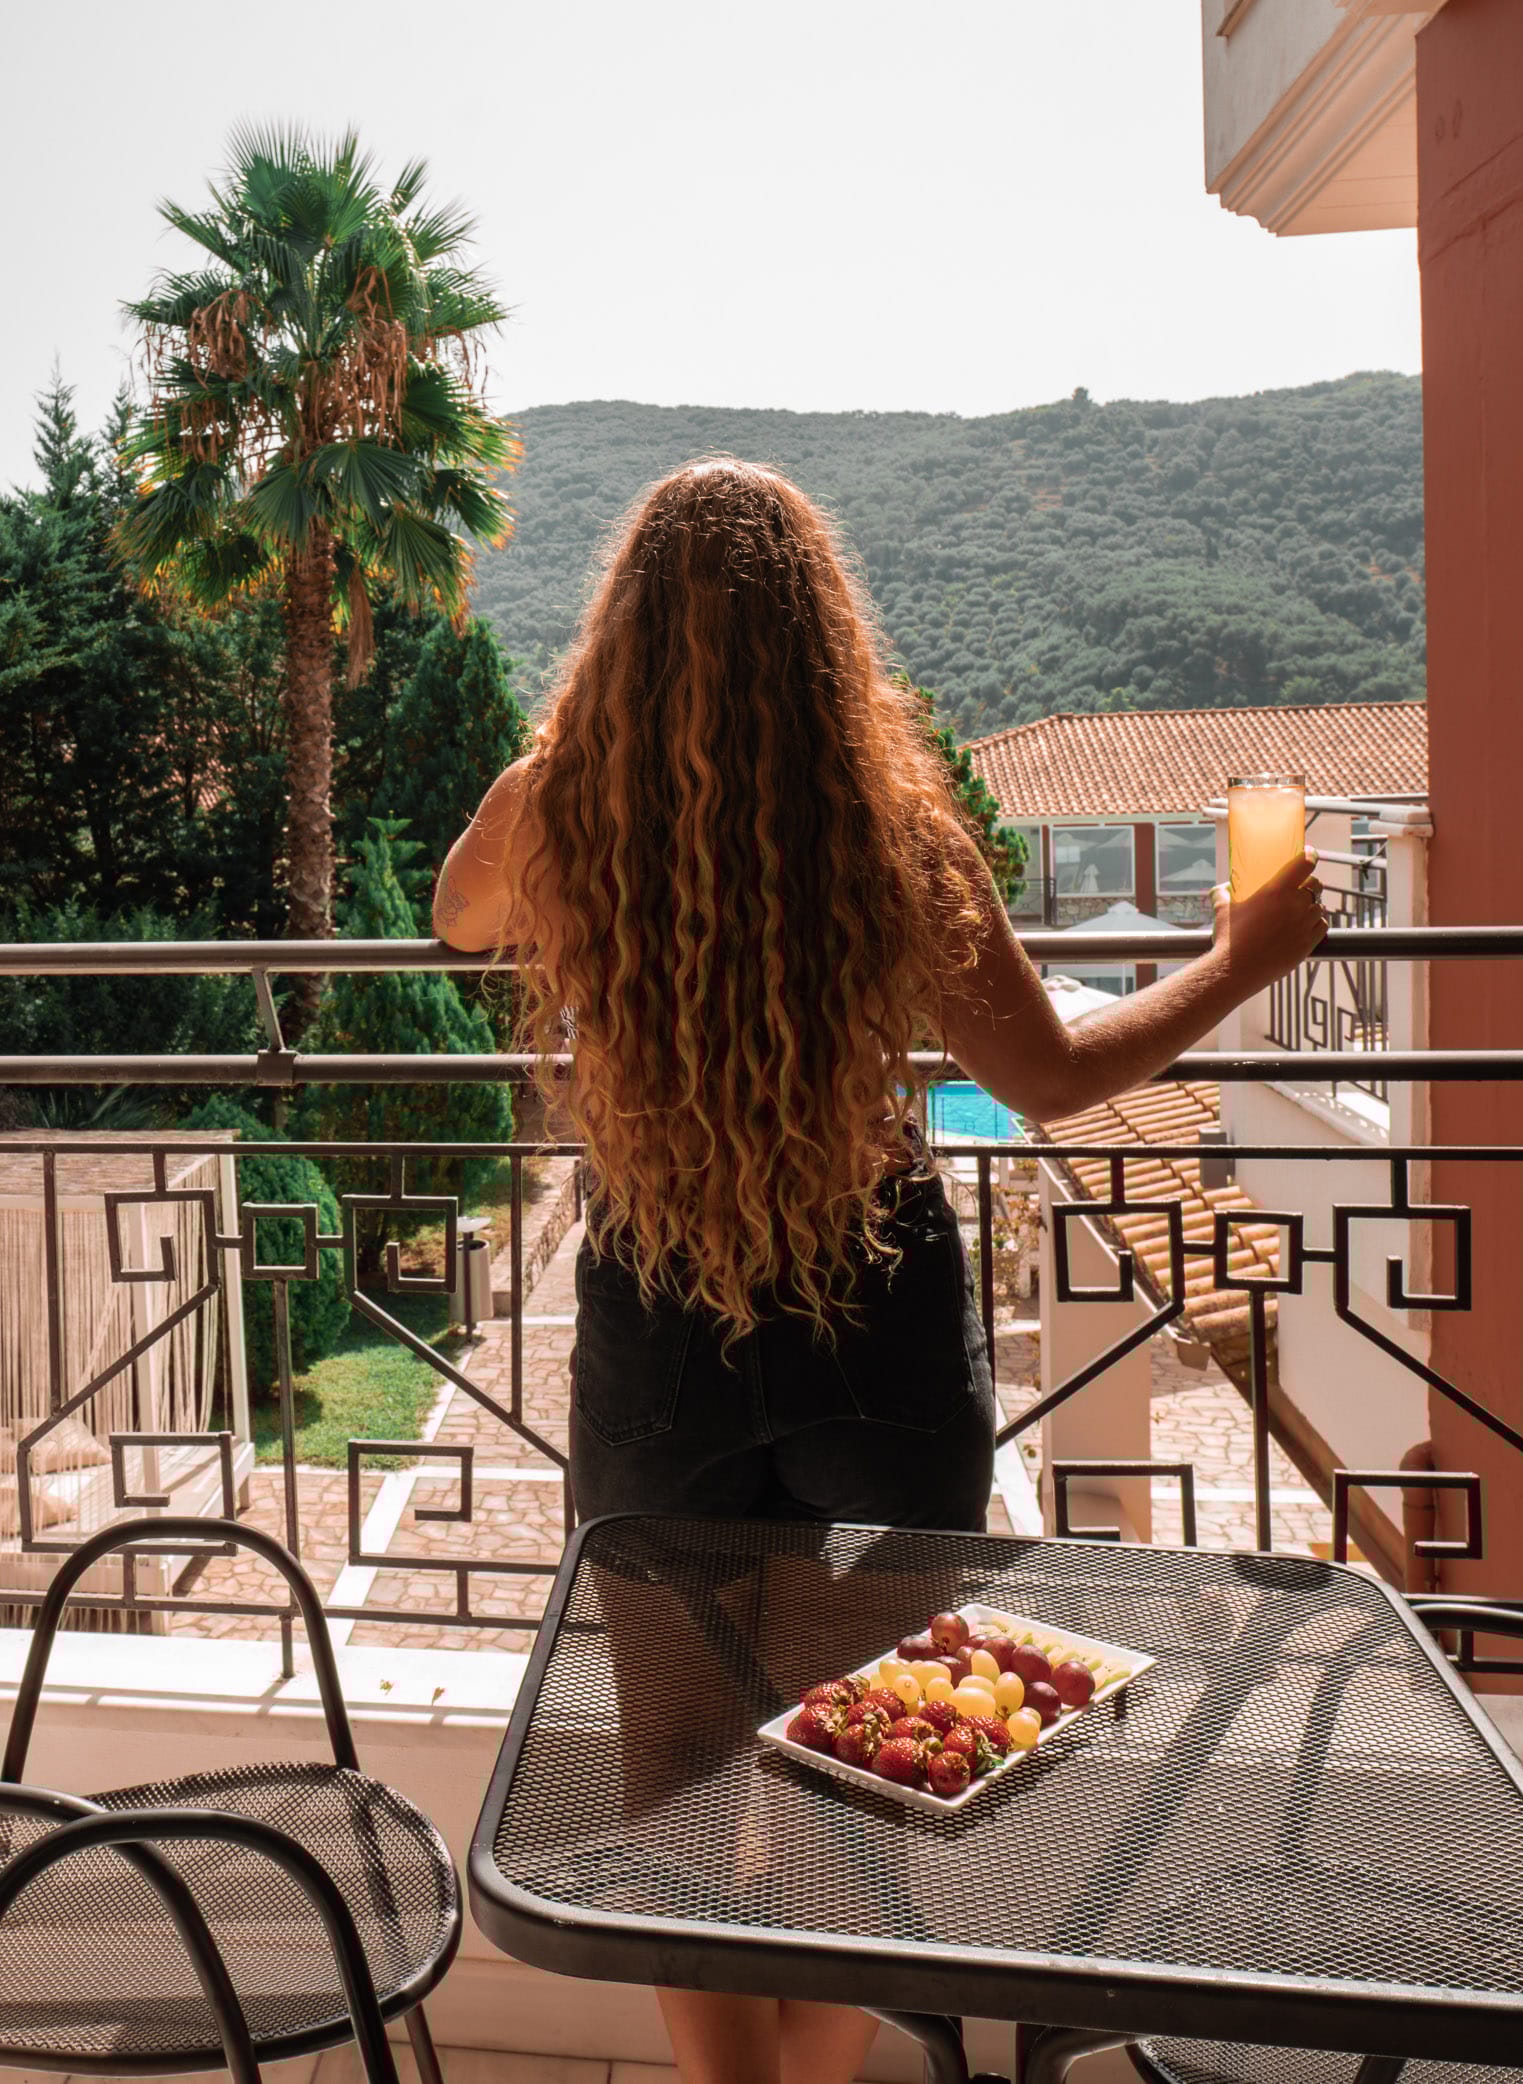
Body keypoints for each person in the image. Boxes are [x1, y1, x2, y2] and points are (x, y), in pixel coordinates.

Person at [432, 458, 1326, 2084]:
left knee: (675, 1759)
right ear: (824, 635)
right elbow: (1051, 1077)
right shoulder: (891, 829)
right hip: (876, 1316)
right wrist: (1238, 960)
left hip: (661, 1310)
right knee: (858, 1754)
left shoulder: (563, 808)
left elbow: (455, 919)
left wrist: (542, 779)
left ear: (621, 637)